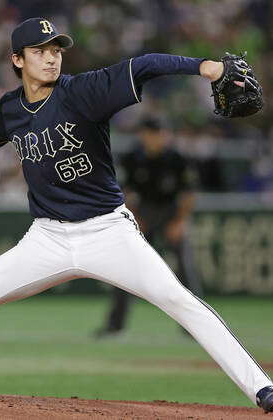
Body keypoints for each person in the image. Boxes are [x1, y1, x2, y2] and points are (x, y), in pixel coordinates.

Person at [0, 18, 273, 413]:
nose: (52, 57)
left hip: (108, 232)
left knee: (181, 301)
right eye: (40, 51)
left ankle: (261, 387)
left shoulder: (83, 92)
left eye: (56, 50)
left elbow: (143, 65)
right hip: (46, 239)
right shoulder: (10, 109)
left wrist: (205, 67)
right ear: (17, 60)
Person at [95, 117, 203, 338]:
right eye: (148, 133)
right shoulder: (134, 158)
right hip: (143, 212)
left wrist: (180, 222)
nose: (152, 138)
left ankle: (196, 328)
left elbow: (188, 194)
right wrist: (133, 219)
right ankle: (115, 325)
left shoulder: (177, 158)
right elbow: (121, 192)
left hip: (172, 212)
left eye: (157, 133)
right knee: (127, 269)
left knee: (185, 270)